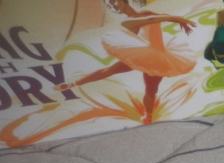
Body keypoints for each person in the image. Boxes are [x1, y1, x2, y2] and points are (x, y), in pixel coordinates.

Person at [56, 0, 196, 124]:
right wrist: (178, 19)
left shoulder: (145, 13)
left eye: (115, 1)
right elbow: (151, 20)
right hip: (144, 54)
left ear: (124, 1)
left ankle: (148, 115)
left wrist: (179, 21)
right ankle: (72, 84)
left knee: (151, 89)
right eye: (111, 4)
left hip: (159, 56)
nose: (114, 5)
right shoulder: (127, 22)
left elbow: (156, 17)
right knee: (109, 71)